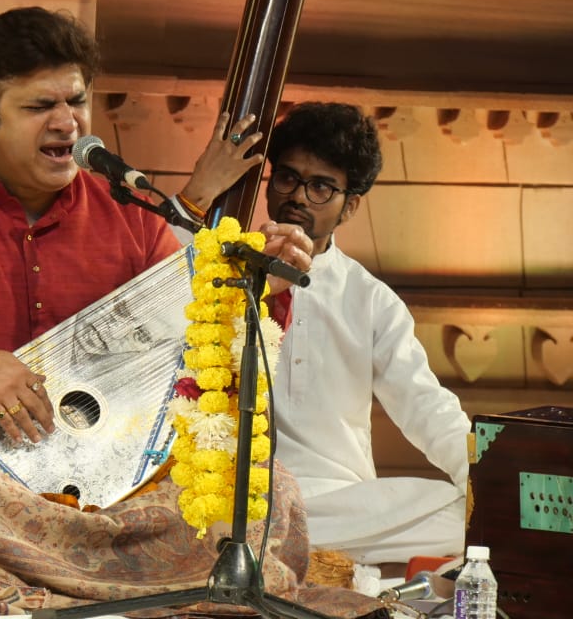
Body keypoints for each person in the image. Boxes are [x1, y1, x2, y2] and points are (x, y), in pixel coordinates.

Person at [0, 8, 396, 616]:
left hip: (110, 495)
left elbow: (196, 359)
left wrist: (263, 289)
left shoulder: (129, 214)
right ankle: (136, 596)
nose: (67, 122)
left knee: (261, 486)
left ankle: (42, 594)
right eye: (39, 106)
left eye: (76, 101)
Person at [175, 102, 471, 565]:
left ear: (350, 206)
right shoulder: (219, 266)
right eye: (288, 178)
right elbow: (153, 294)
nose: (297, 196)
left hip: (339, 508)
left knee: (459, 513)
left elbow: (426, 407)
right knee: (189, 507)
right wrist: (200, 192)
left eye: (320, 187)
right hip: (236, 496)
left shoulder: (370, 299)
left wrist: (486, 482)